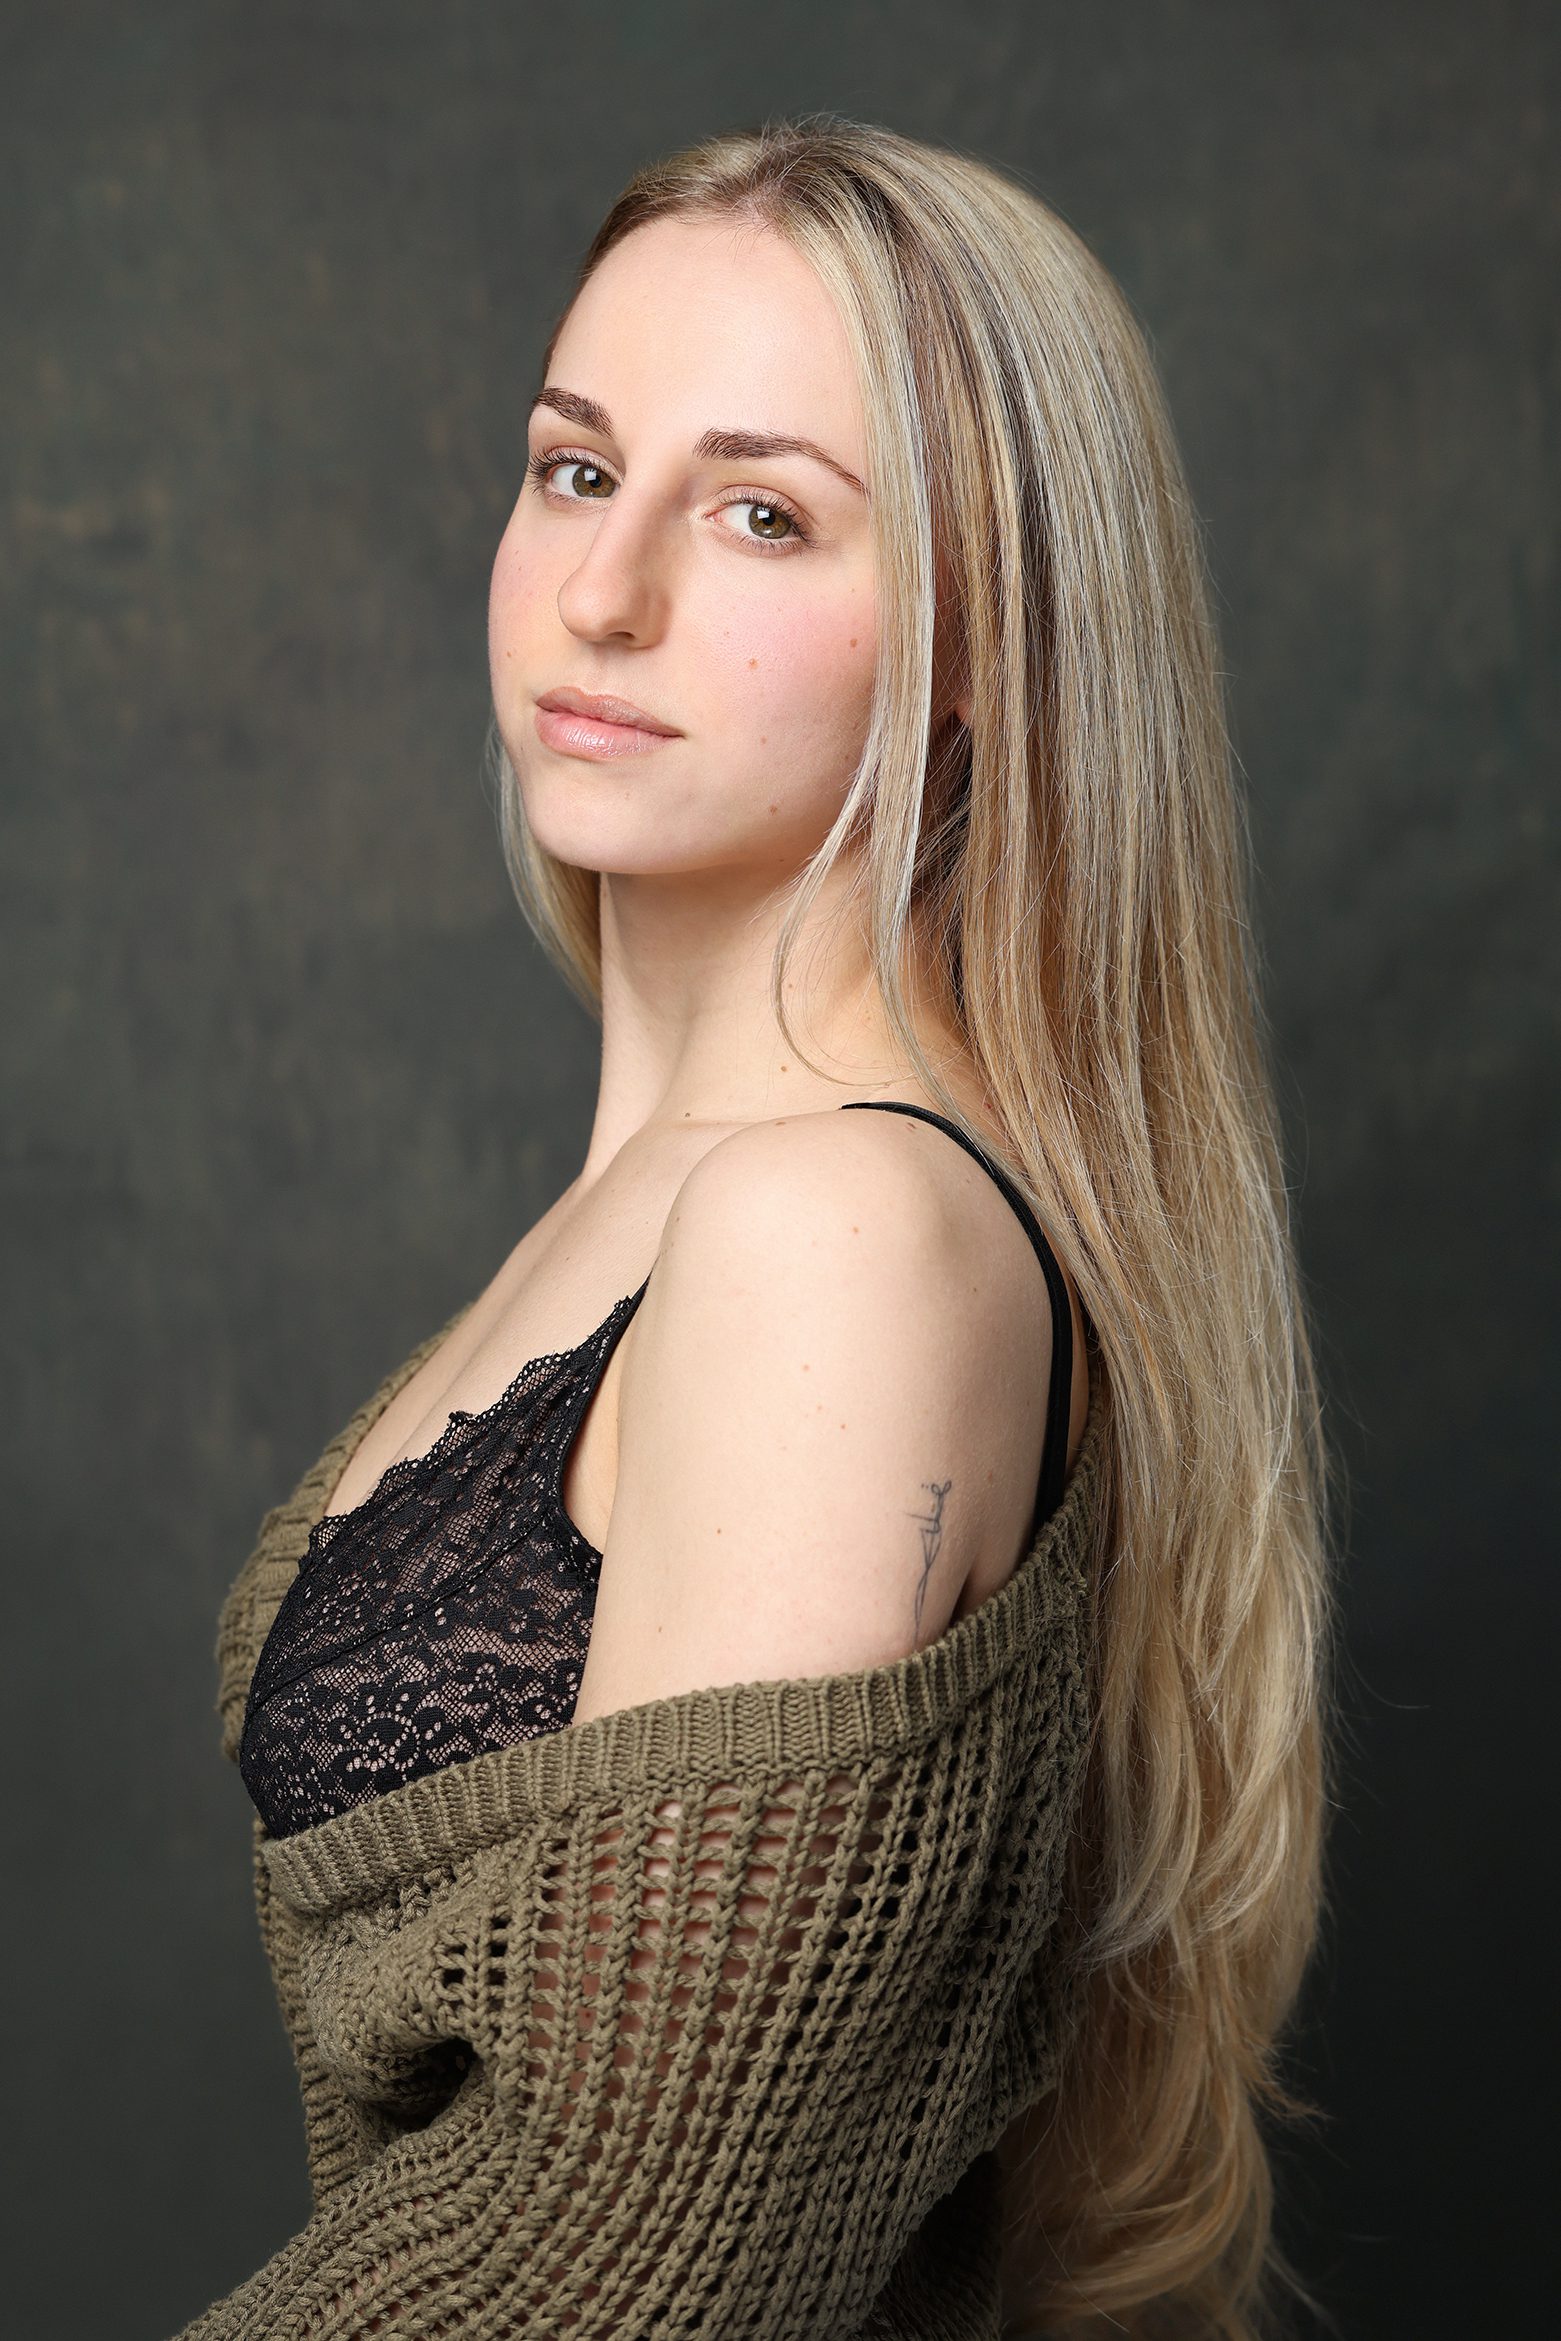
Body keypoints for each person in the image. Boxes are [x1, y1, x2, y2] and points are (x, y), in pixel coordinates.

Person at [185, 114, 1334, 2341]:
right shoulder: (664, 1199)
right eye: (575, 470)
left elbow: (624, 2253)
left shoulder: (842, 1229)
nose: (603, 593)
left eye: (761, 513)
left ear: (991, 640)